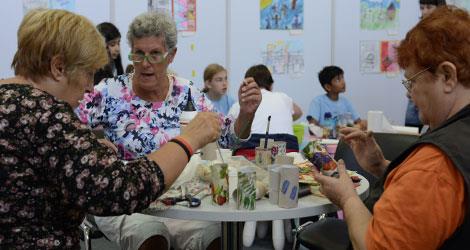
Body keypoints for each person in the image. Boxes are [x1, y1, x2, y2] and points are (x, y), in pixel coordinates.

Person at [0, 9, 221, 249]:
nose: (89, 87)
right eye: (87, 73)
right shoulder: (45, 114)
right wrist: (187, 140)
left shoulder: (10, 100)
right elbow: (119, 190)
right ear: (58, 67)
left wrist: (88, 152)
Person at [76, 12, 261, 250]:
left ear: (171, 55)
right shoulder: (111, 91)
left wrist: (246, 114)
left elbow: (226, 137)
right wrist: (90, 142)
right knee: (151, 236)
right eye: (138, 53)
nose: (145, 63)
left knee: (213, 236)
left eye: (155, 54)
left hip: (180, 196)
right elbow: (65, 123)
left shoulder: (187, 92)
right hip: (127, 197)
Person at [314, 6, 470, 249]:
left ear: (447, 77)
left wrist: (347, 197)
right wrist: (382, 166)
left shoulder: (435, 167)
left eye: (412, 82)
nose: (410, 95)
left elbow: (374, 245)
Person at [229, 64, 302, 151]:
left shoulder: (240, 104)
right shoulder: (282, 97)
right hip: (287, 149)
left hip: (251, 149)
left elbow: (228, 133)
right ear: (271, 85)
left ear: (246, 86)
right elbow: (298, 112)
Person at [405, 0, 446, 130]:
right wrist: (412, 84)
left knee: (438, 127)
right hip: (418, 83)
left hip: (437, 85)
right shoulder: (417, 32)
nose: (425, 11)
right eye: (422, 7)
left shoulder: (446, 31)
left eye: (429, 7)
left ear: (440, 7)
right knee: (411, 129)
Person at [307, 65, 363, 130]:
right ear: (328, 87)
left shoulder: (345, 102)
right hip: (325, 139)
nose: (343, 82)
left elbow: (359, 122)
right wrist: (332, 130)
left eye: (342, 78)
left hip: (344, 138)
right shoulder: (317, 102)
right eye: (338, 80)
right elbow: (312, 127)